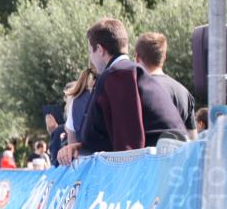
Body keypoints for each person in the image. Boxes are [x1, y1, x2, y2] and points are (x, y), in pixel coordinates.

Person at [61, 18, 186, 164]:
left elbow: (129, 142)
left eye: (91, 52)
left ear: (100, 50)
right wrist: (81, 147)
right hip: (167, 160)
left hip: (162, 166)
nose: (91, 59)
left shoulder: (120, 74)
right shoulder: (128, 72)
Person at [135, 32, 197, 139]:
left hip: (145, 154)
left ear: (137, 57)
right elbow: (192, 139)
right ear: (164, 57)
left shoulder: (135, 90)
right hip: (178, 154)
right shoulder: (183, 92)